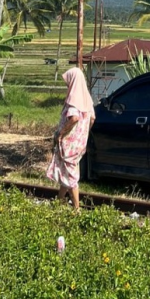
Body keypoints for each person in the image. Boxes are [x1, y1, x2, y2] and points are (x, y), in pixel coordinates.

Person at [47, 67, 95, 210]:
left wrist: (61, 133)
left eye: (68, 81)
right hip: (80, 143)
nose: (67, 85)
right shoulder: (87, 99)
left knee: (72, 176)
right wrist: (83, 133)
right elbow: (92, 118)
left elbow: (74, 118)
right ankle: (58, 202)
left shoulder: (73, 99)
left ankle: (76, 209)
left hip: (69, 143)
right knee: (67, 172)